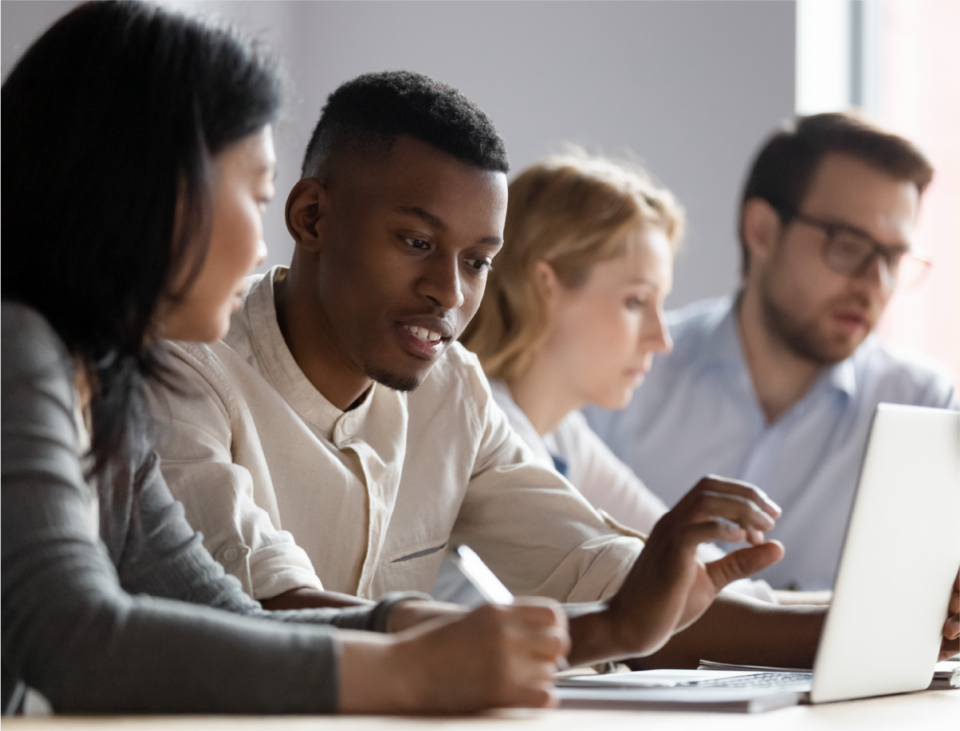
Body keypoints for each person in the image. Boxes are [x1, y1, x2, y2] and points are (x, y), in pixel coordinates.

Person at [152, 68, 860, 673]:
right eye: (417, 241)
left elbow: (606, 577)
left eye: (477, 260)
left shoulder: (452, 388)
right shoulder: (187, 370)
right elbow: (272, 614)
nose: (450, 292)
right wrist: (606, 628)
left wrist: (886, 632)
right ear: (311, 217)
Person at [0, 1, 577, 715]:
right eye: (257, 192)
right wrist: (406, 670)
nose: (265, 246)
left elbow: (227, 612)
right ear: (151, 187)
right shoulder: (15, 346)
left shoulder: (99, 383)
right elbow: (72, 638)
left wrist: (394, 625)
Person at [585, 112, 960, 592]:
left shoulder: (921, 405)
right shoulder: (629, 371)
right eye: (849, 246)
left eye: (891, 258)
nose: (875, 285)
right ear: (761, 230)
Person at [460, 150, 776, 605]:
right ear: (544, 286)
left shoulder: (563, 435)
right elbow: (637, 585)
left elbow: (697, 568)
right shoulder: (486, 422)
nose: (661, 338)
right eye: (635, 301)